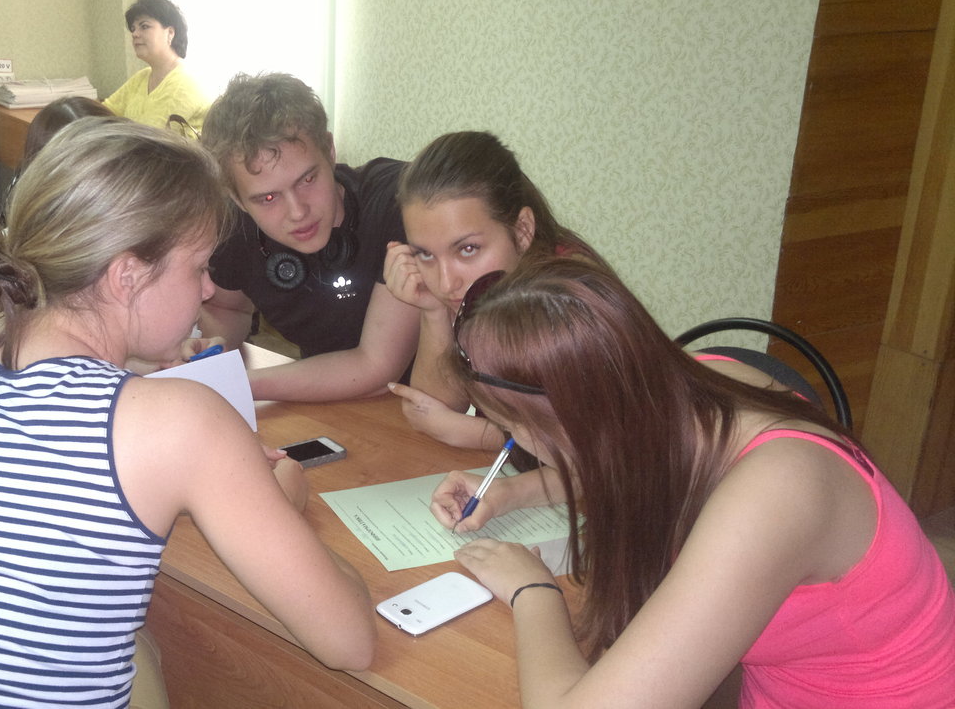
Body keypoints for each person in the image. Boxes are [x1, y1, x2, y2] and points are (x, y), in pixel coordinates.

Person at [0, 118, 376, 707]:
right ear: (127, 276)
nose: (209, 291)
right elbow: (349, 642)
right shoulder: (180, 423)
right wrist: (280, 506)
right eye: (198, 268)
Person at [430, 255, 955, 708]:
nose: (516, 440)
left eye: (513, 425)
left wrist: (534, 590)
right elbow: (643, 463)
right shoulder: (685, 381)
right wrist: (517, 490)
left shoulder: (775, 494)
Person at [193, 72, 420, 401]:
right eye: (268, 198)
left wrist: (240, 384)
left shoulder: (401, 201)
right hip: (326, 406)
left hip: (428, 406)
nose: (298, 212)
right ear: (237, 200)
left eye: (308, 179)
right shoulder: (235, 228)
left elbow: (377, 368)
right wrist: (214, 348)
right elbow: (227, 309)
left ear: (329, 150)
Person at [384, 131, 604, 454]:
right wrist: (433, 311)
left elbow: (596, 442)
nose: (445, 282)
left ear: (522, 231)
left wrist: (475, 433)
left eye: (468, 249)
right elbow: (435, 407)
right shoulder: (476, 289)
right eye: (425, 254)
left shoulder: (568, 295)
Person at [103, 0, 210, 134]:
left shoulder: (185, 82)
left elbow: (151, 137)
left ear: (170, 33)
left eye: (144, 26)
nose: (134, 34)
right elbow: (102, 112)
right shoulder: (142, 76)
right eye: (133, 28)